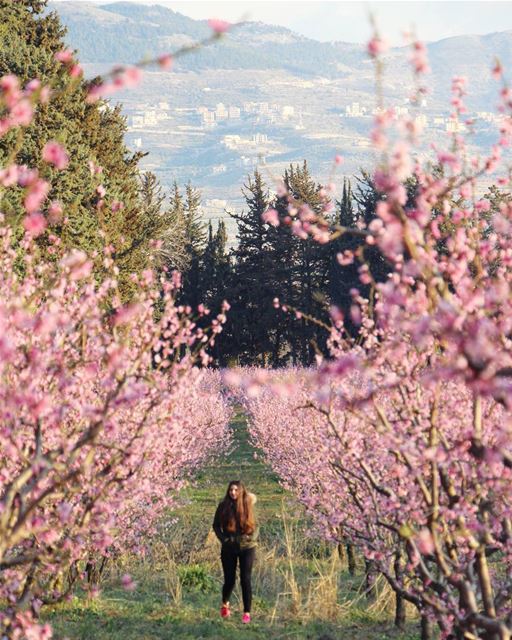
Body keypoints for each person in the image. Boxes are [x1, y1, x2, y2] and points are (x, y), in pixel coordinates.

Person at [212, 480, 258, 624]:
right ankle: (225, 603)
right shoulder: (223, 506)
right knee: (229, 580)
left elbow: (257, 525)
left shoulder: (248, 505)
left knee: (246, 579)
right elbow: (215, 525)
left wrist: (251, 538)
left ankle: (247, 612)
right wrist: (224, 539)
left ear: (241, 491)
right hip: (229, 548)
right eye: (231, 490)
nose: (233, 492)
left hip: (247, 547)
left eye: (236, 490)